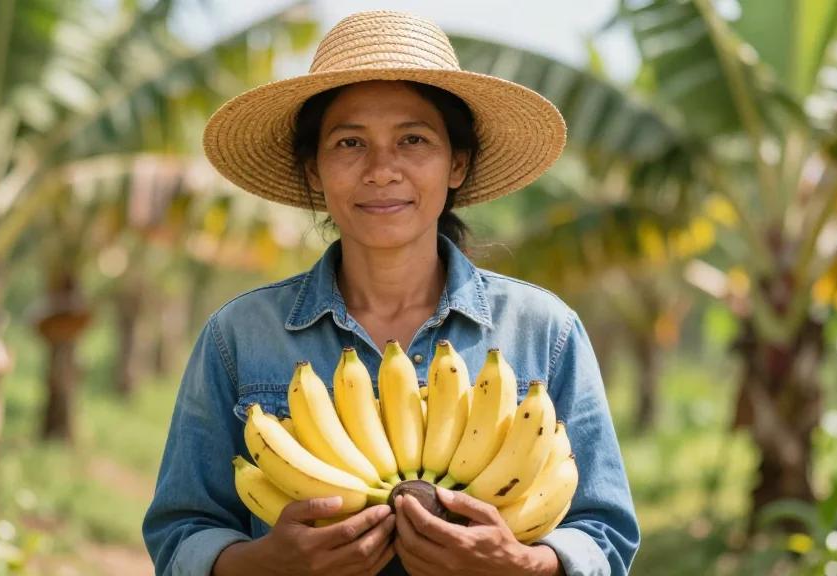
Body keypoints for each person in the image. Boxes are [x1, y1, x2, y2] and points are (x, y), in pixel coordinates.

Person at [143, 10, 639, 576]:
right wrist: (259, 563)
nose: (382, 170)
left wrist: (529, 566)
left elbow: (607, 534)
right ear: (314, 171)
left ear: (457, 163)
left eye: (413, 139)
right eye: (350, 142)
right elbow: (179, 533)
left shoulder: (543, 331)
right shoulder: (240, 337)